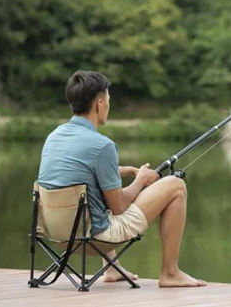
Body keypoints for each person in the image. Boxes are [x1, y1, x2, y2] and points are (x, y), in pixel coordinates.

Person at [37, 70, 206, 287]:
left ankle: (110, 268)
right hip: (95, 238)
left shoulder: (54, 137)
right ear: (99, 103)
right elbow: (119, 207)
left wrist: (126, 170)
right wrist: (141, 180)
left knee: (95, 193)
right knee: (176, 185)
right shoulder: (102, 145)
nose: (109, 104)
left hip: (58, 235)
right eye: (108, 99)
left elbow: (82, 171)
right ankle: (170, 273)